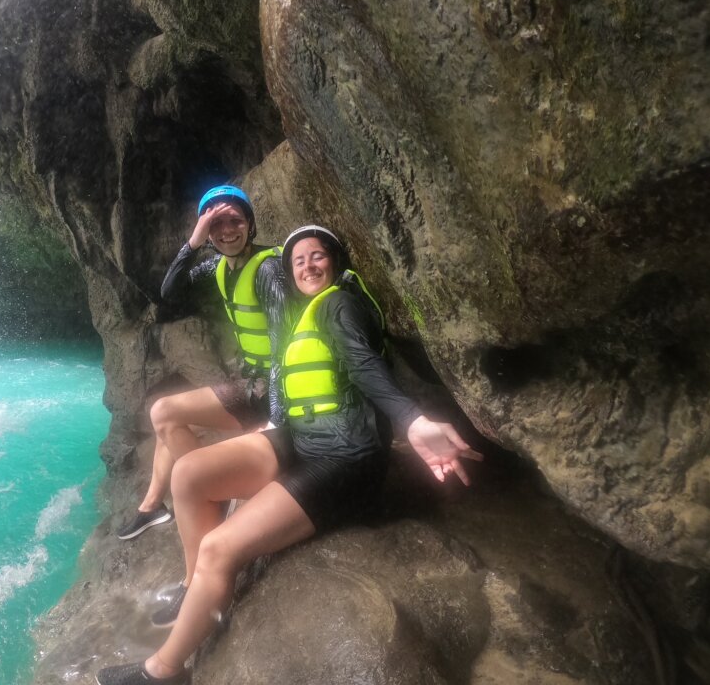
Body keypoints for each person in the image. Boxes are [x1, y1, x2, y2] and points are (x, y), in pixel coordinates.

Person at [96, 225, 483, 685]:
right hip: (301, 437)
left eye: (317, 256)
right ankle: (196, 585)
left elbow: (365, 364)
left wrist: (412, 420)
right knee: (189, 473)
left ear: (335, 262)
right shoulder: (304, 314)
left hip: (344, 458)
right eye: (298, 260)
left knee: (220, 549)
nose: (308, 266)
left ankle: (164, 671)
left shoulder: (340, 305)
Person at [115, 185, 288, 541]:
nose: (227, 231)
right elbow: (168, 294)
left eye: (235, 220)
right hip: (251, 382)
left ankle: (215, 492)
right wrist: (192, 244)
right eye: (216, 224)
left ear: (250, 224)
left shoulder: (269, 269)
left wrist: (275, 420)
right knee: (168, 421)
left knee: (164, 413)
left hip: (273, 387)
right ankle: (152, 506)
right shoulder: (219, 266)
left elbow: (284, 345)